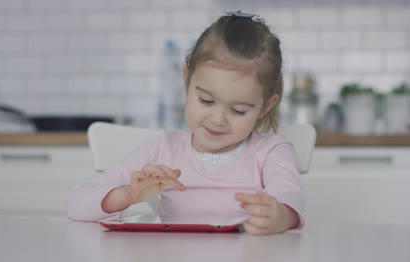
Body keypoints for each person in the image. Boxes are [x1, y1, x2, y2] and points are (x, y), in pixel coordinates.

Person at [66, 11, 305, 235]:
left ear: (266, 106)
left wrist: (281, 215)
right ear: (187, 80)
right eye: (206, 100)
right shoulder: (161, 149)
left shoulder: (271, 152)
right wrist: (126, 195)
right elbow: (76, 204)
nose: (217, 119)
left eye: (237, 110)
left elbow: (289, 195)